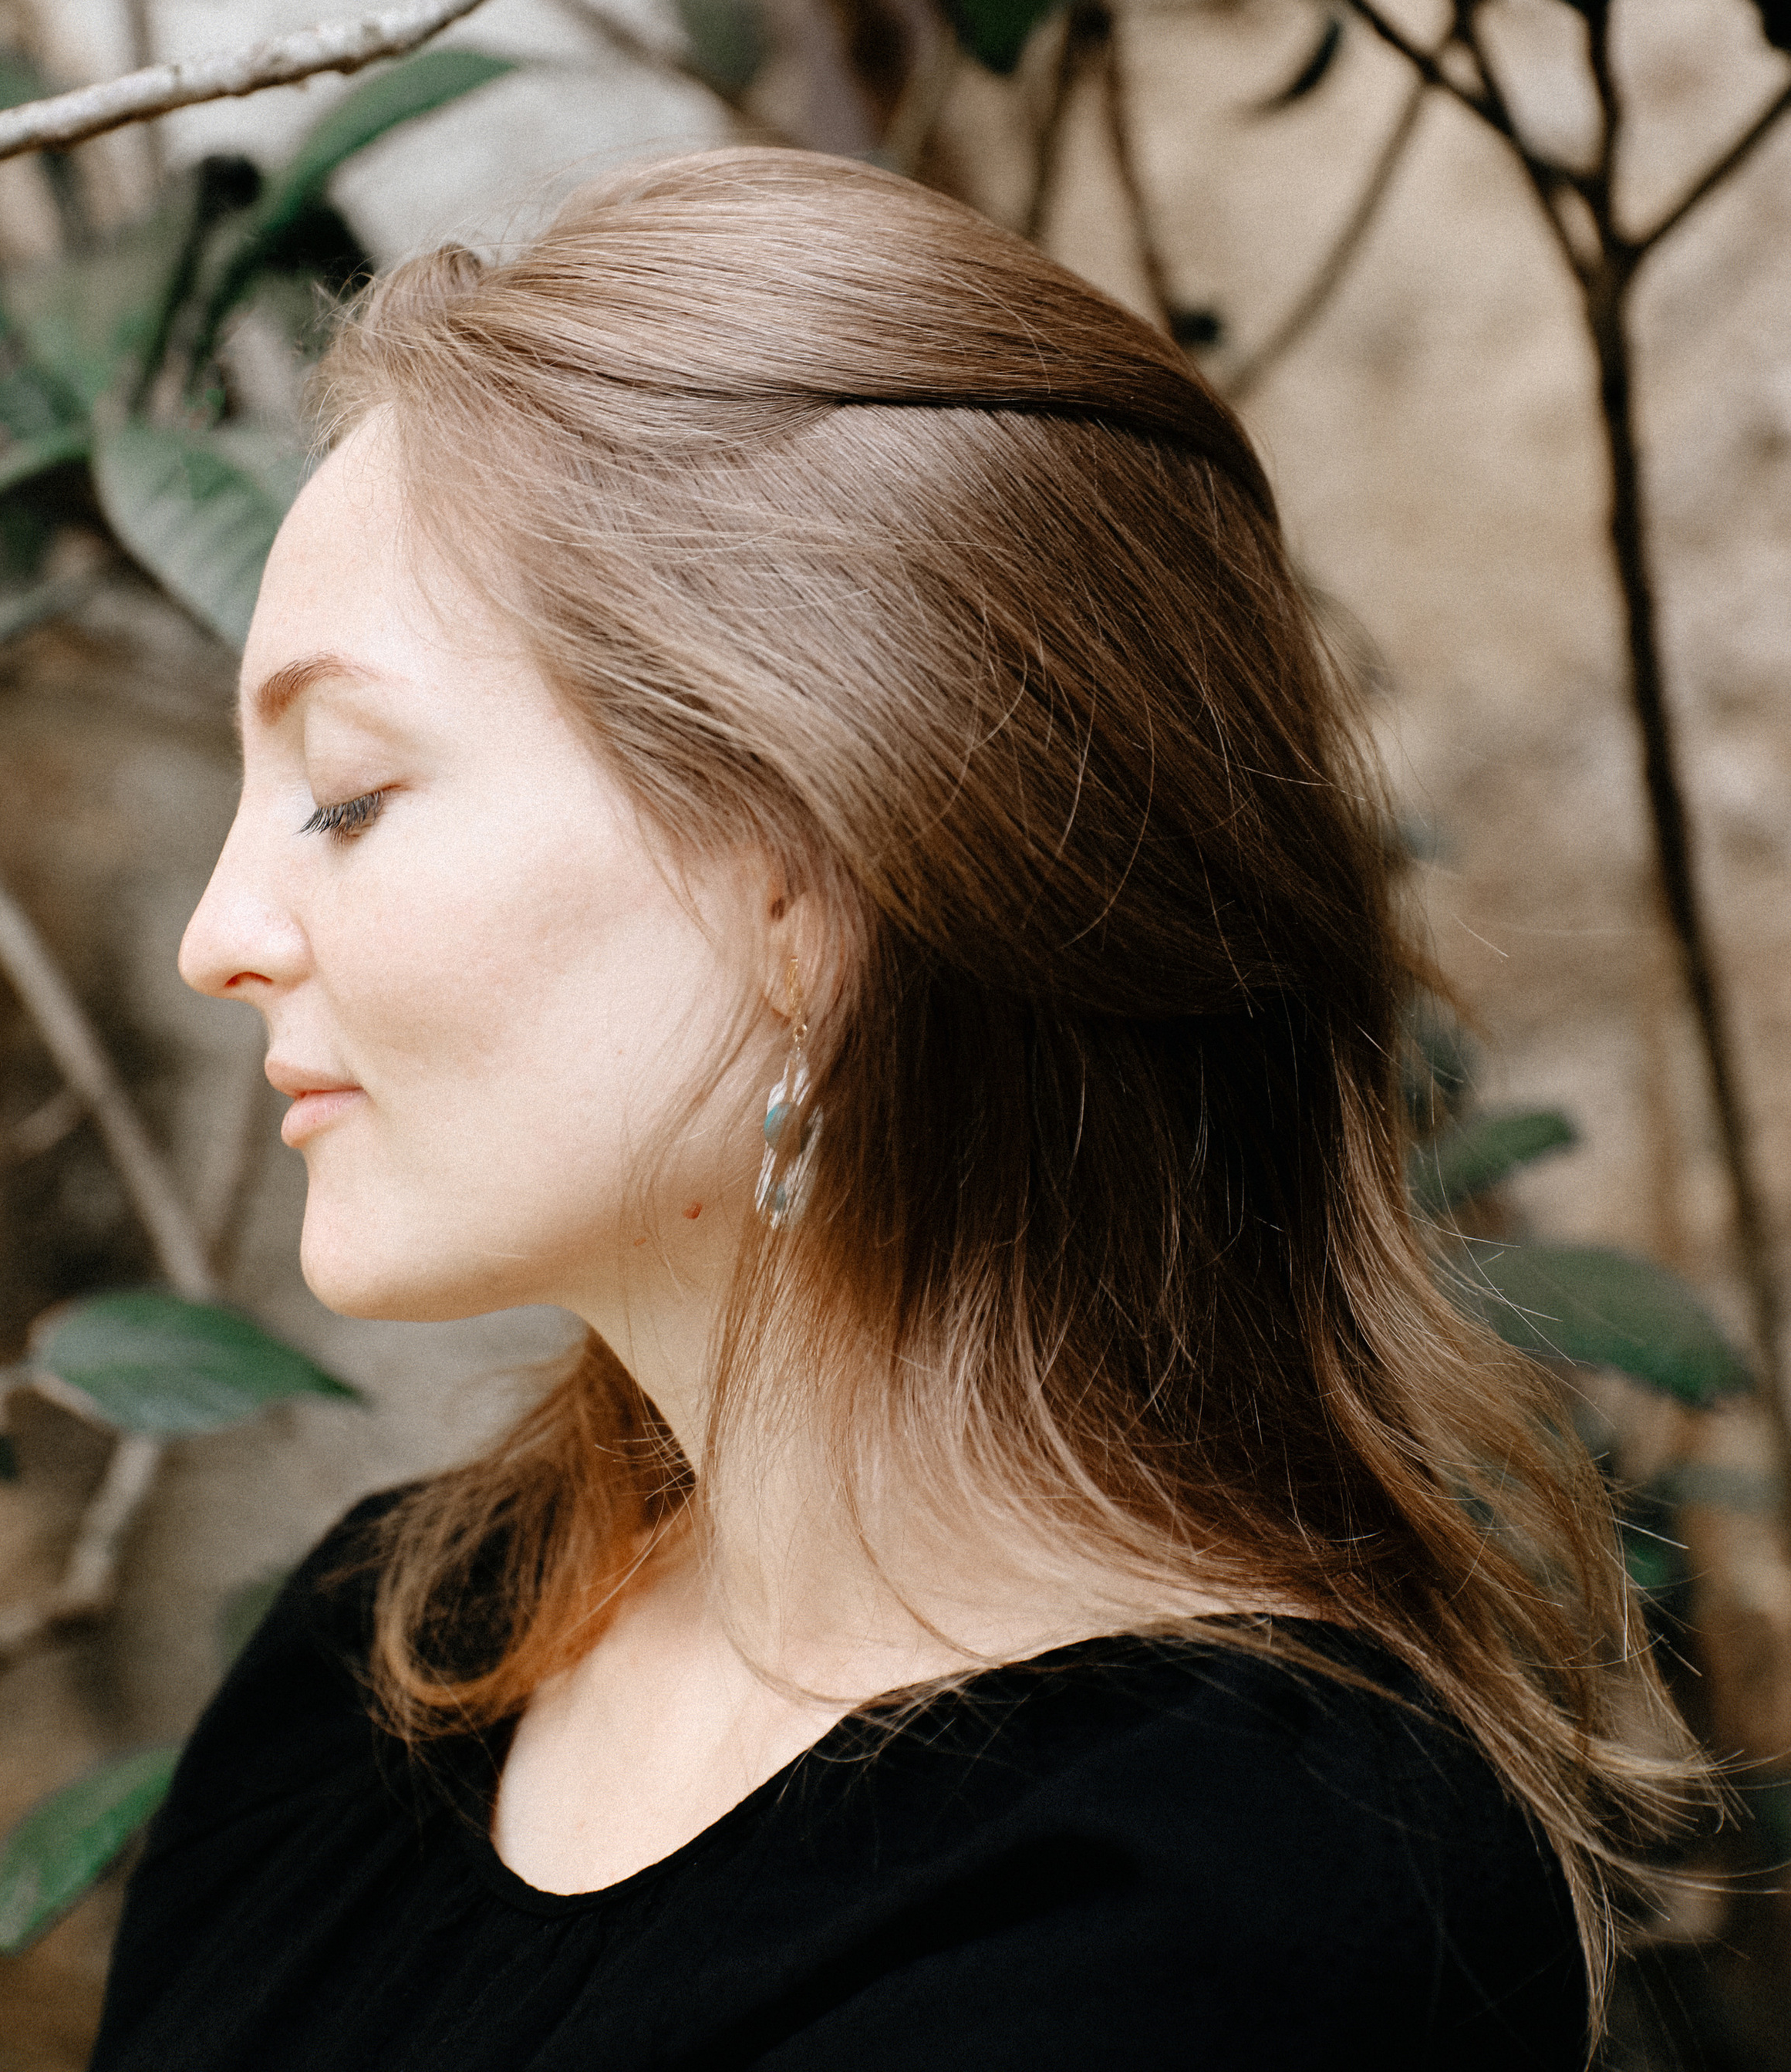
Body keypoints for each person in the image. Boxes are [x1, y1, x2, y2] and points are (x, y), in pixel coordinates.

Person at [89, 150, 1697, 2072]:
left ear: (808, 881)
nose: (221, 935)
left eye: (347, 794)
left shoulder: (1220, 1905)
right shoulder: (391, 1651)